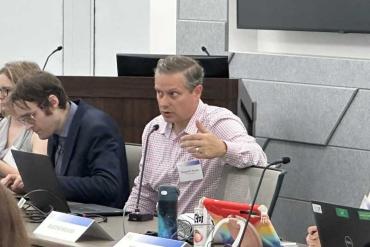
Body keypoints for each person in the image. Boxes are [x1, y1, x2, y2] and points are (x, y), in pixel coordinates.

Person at [125, 55, 267, 214]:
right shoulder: (154, 129)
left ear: (197, 91)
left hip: (207, 233)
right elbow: (145, 194)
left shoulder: (217, 122)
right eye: (159, 93)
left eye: (173, 94)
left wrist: (223, 148)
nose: (164, 102)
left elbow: (258, 156)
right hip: (163, 230)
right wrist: (129, 223)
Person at [1, 71, 129, 208]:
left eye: (30, 117)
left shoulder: (97, 127)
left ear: (53, 102)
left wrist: (45, 183)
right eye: (23, 120)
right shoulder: (53, 128)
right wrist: (30, 183)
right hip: (68, 212)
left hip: (102, 217)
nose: (27, 126)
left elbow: (109, 186)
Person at [0, 61, 47, 176]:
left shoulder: (39, 130)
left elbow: (38, 178)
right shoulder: (3, 123)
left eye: (6, 90)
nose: (1, 96)